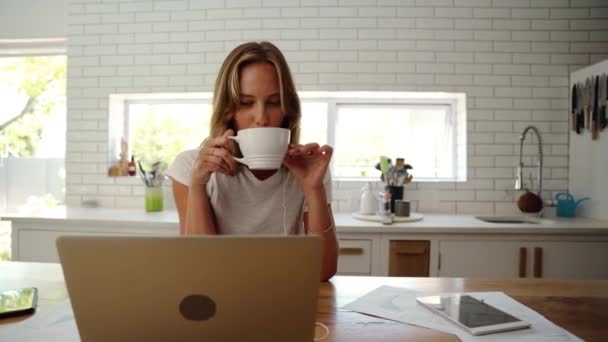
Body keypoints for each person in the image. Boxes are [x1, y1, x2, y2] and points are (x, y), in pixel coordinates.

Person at [166, 41, 338, 281]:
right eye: (246, 103)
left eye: (274, 102)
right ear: (228, 109)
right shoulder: (190, 167)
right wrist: (197, 184)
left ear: (288, 109)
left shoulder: (309, 171)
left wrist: (313, 188)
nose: (261, 118)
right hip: (220, 300)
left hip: (285, 296)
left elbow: (323, 271)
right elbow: (199, 267)